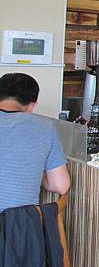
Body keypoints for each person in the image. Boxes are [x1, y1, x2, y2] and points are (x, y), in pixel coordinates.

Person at [0, 73, 70, 212]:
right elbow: (60, 185)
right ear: (32, 106)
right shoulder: (44, 127)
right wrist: (31, 170)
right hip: (18, 223)